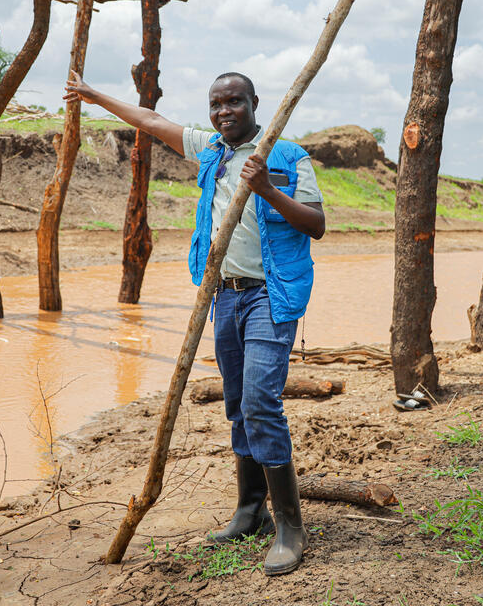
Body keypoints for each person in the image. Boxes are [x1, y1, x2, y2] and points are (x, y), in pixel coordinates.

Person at [64, 70, 324, 576]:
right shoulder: (210, 150)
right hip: (223, 297)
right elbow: (151, 120)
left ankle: (290, 527)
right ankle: (250, 511)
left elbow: (316, 225)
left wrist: (266, 188)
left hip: (271, 295)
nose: (224, 111)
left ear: (255, 102)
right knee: (236, 405)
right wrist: (95, 94)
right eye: (216, 104)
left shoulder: (290, 155)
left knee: (259, 402)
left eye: (234, 102)